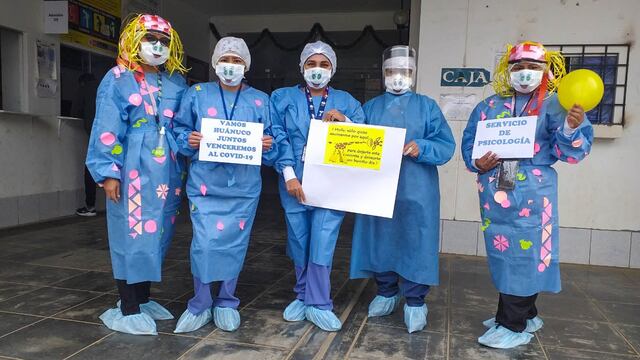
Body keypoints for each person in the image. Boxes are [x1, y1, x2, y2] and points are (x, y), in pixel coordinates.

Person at [461, 41, 593, 348]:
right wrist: (476, 161)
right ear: (507, 70)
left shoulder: (557, 104)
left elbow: (570, 153)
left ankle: (513, 324)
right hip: (497, 192)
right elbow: (471, 144)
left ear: (546, 70)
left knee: (528, 254)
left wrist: (571, 129)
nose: (524, 74)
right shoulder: (489, 106)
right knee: (505, 253)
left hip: (535, 193)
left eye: (533, 67)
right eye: (518, 67)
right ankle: (526, 314)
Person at [85, 14, 188, 335]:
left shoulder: (176, 82)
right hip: (130, 169)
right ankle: (127, 305)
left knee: (157, 235)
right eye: (149, 39)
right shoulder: (118, 78)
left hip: (168, 171)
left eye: (164, 41)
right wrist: (107, 173)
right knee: (130, 233)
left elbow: (185, 126)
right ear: (133, 39)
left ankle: (143, 298)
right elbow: (106, 127)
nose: (157, 46)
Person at [171, 37, 276, 333]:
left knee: (235, 243)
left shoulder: (260, 101)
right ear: (216, 62)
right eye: (226, 60)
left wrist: (268, 144)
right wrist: (187, 140)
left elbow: (273, 137)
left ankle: (227, 300)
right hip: (205, 186)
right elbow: (180, 129)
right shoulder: (197, 94)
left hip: (243, 188)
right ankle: (200, 302)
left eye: (237, 61)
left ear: (246, 66)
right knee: (204, 243)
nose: (230, 66)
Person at [350, 45, 455, 333]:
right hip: (378, 189)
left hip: (417, 190)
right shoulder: (370, 108)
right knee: (380, 238)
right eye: (392, 71)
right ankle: (386, 292)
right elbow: (355, 139)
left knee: (416, 240)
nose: (398, 77)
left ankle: (415, 299)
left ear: (414, 74)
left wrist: (422, 147)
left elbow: (446, 145)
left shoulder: (427, 107)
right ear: (383, 74)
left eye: (405, 72)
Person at [271, 41, 365, 332]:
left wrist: (345, 122)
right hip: (294, 177)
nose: (317, 70)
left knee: (323, 239)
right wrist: (289, 175)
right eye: (311, 64)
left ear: (333, 69)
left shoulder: (347, 101)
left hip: (331, 180)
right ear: (301, 67)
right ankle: (302, 296)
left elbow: (366, 137)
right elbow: (276, 134)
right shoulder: (282, 98)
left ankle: (320, 302)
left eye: (324, 65)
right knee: (299, 239)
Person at [73, 73, 99, 217]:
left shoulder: (85, 88)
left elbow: (75, 109)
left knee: (91, 166)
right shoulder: (106, 85)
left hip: (96, 133)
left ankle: (90, 206)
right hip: (114, 133)